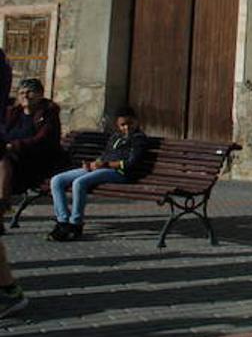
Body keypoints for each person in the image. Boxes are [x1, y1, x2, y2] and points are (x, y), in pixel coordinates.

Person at [46, 107, 150, 241]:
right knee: (57, 180)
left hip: (119, 172)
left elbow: (131, 162)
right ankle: (62, 221)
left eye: (130, 124)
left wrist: (105, 165)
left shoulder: (138, 139)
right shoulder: (116, 136)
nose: (126, 127)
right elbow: (105, 155)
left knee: (79, 183)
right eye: (123, 125)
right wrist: (93, 164)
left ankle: (76, 223)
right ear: (117, 125)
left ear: (136, 122)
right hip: (102, 168)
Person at [0, 79, 64, 224]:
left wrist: (13, 146)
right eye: (22, 92)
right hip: (14, 161)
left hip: (38, 162)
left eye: (30, 92)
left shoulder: (48, 114)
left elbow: (43, 140)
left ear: (40, 94)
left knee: (2, 160)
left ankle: (2, 207)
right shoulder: (13, 113)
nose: (25, 96)